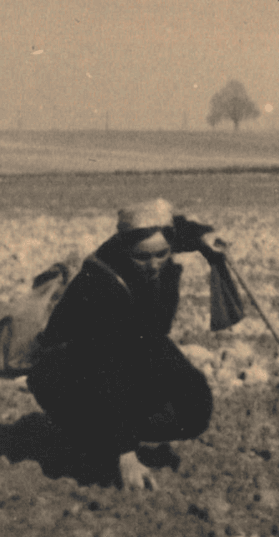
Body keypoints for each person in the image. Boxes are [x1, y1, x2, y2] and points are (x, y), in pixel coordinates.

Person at [27, 198, 234, 489]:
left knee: (195, 405)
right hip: (70, 369)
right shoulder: (99, 285)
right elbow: (106, 368)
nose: (153, 265)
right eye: (142, 258)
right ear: (124, 248)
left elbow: (176, 229)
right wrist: (125, 454)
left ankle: (116, 431)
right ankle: (97, 442)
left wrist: (203, 236)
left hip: (130, 346)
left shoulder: (150, 246)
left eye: (162, 255)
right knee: (109, 392)